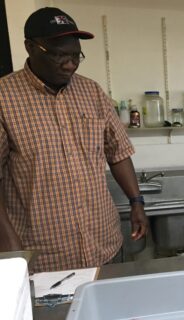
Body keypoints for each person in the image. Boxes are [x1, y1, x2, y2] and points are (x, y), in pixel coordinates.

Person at [0, 7, 148, 272]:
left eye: (75, 55)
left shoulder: (91, 91)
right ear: (30, 47)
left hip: (103, 244)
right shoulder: (4, 98)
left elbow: (118, 152)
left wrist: (136, 202)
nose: (69, 63)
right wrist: (8, 239)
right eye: (58, 55)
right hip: (44, 255)